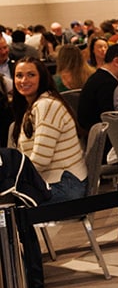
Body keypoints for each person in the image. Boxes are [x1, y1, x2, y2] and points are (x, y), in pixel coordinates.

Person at [9, 58, 87, 203]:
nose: (24, 80)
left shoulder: (46, 106)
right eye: (19, 75)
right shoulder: (32, 107)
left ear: (42, 78)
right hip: (52, 183)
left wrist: (12, 178)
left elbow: (41, 160)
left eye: (31, 75)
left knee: (7, 204)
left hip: (65, 186)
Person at [77, 43, 118, 135]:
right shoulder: (108, 85)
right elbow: (114, 122)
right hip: (102, 140)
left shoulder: (99, 77)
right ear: (117, 62)